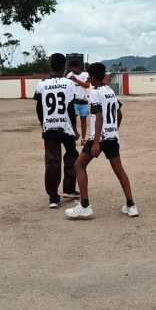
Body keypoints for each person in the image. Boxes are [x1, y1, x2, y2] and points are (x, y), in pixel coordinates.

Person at [66, 63, 138, 218]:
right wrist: (114, 130)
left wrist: (96, 142)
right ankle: (131, 205)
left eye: (89, 77)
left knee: (79, 165)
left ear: (92, 77)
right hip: (112, 136)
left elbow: (98, 117)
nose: (89, 80)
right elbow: (119, 114)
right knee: (119, 170)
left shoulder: (95, 93)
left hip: (99, 137)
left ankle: (84, 205)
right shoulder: (110, 91)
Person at [34, 53, 80, 208]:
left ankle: (53, 197)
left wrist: (43, 123)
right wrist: (75, 128)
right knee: (71, 155)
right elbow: (70, 108)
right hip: (66, 127)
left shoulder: (42, 84)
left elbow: (39, 107)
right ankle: (69, 189)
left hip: (50, 128)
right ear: (64, 67)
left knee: (52, 161)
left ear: (51, 65)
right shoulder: (69, 84)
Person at [67, 60, 90, 145]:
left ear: (77, 67)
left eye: (73, 68)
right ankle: (73, 135)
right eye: (71, 68)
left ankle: (83, 138)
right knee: (73, 119)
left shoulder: (85, 75)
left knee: (83, 120)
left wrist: (76, 80)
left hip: (83, 101)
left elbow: (87, 85)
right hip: (74, 101)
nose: (72, 70)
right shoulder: (69, 75)